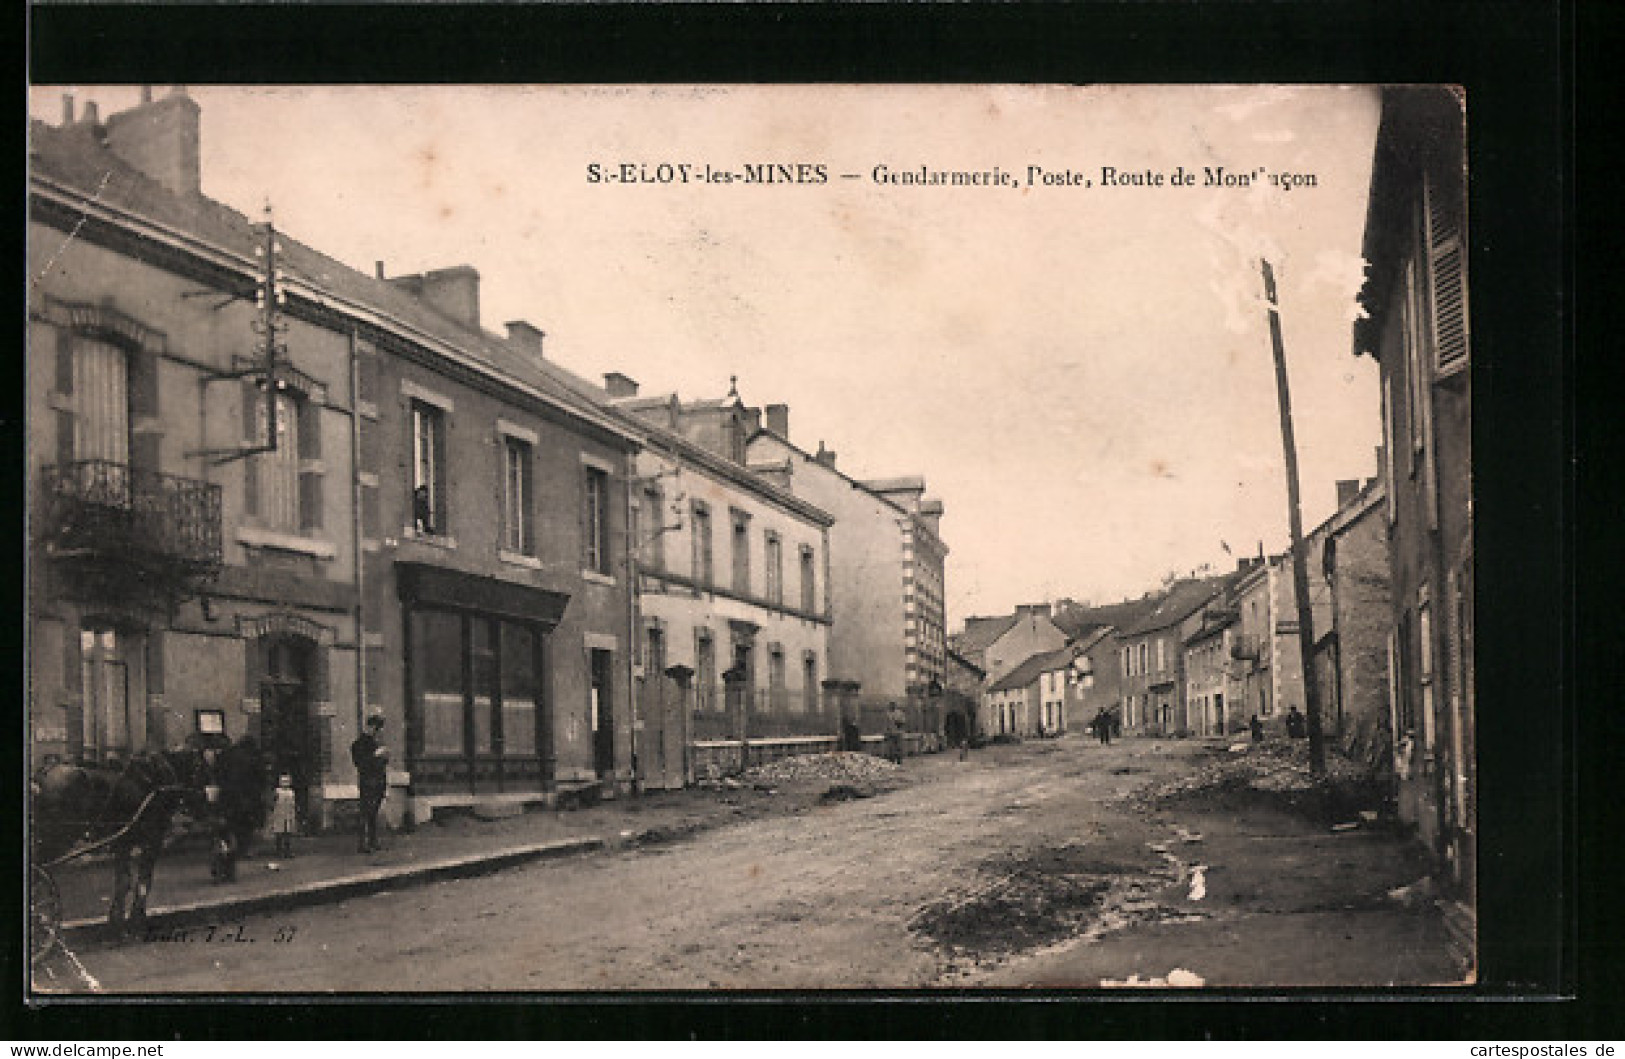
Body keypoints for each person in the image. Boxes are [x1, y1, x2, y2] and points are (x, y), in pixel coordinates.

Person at [350, 714, 389, 853]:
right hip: (368, 782)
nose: (377, 732)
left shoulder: (374, 743)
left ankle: (372, 841)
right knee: (366, 812)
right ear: (370, 727)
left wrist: (383, 757)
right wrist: (375, 755)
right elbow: (361, 763)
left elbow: (383, 762)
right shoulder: (358, 744)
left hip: (378, 782)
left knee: (373, 813)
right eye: (376, 728)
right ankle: (363, 843)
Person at [270, 774, 298, 858]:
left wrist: (293, 813)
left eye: (287, 782)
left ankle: (287, 851)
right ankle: (279, 852)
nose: (285, 783)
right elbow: (273, 802)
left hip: (289, 814)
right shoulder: (277, 791)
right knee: (279, 833)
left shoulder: (291, 792)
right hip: (279, 814)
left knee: (288, 833)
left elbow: (293, 803)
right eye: (283, 782)